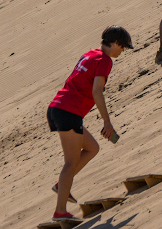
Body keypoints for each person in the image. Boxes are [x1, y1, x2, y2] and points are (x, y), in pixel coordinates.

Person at [47, 25, 133, 223]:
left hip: (58, 107)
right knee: (70, 162)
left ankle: (62, 186)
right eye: (123, 47)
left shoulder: (91, 54)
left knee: (92, 148)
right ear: (114, 44)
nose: (123, 51)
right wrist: (107, 122)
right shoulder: (105, 60)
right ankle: (60, 211)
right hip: (68, 110)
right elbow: (97, 92)